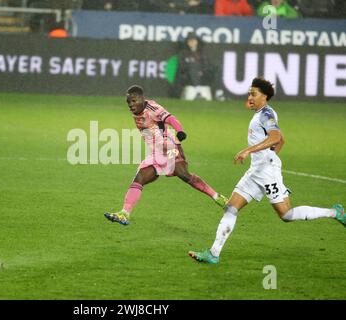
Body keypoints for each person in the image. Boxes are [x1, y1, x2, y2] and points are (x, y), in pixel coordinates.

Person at [189, 77, 345, 264]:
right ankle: (213, 254)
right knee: (231, 207)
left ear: (264, 96)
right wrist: (269, 157)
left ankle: (335, 213)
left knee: (286, 215)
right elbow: (281, 140)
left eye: (254, 94)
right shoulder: (261, 115)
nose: (250, 97)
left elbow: (276, 137)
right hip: (257, 171)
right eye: (249, 93)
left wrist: (250, 151)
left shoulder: (266, 114)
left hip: (266, 173)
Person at [104, 85, 228, 225]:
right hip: (156, 153)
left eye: (133, 101)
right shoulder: (138, 111)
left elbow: (170, 118)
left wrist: (180, 131)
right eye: (129, 102)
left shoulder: (153, 108)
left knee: (184, 175)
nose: (131, 105)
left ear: (142, 98)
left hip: (169, 147)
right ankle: (124, 214)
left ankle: (218, 197)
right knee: (139, 178)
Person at [172, 34, 213, 101]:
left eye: (193, 41)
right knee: (192, 67)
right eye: (190, 41)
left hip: (202, 76)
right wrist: (191, 65)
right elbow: (181, 66)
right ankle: (198, 92)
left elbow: (206, 65)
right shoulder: (183, 53)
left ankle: (219, 93)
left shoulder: (201, 53)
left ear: (197, 42)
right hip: (187, 77)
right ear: (187, 42)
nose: (192, 43)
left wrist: (200, 71)